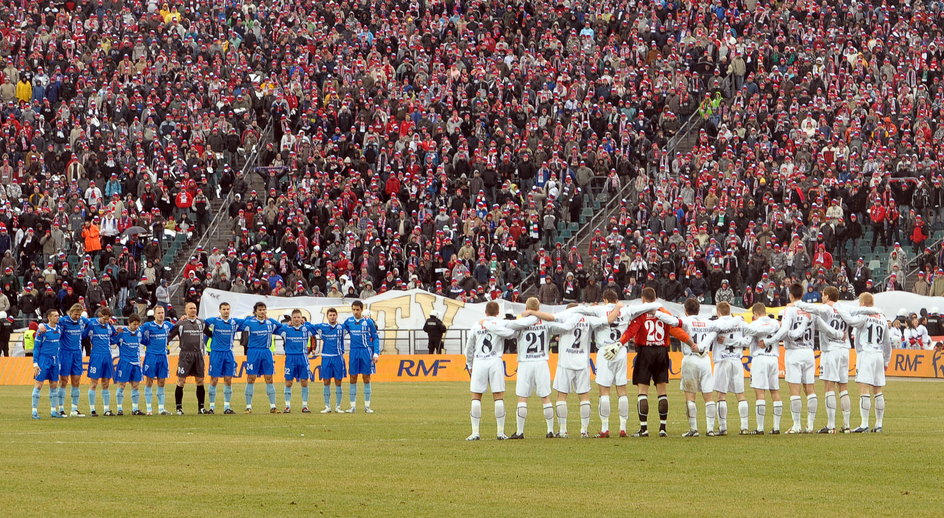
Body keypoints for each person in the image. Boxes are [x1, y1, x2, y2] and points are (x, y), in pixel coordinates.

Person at [572, 290, 660, 437]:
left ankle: (605, 428)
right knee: (622, 391)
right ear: (617, 299)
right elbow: (654, 305)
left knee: (604, 391)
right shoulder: (627, 309)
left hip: (605, 351)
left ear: (605, 300)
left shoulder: (599, 309)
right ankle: (623, 428)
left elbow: (581, 309)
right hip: (620, 350)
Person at [620, 288, 694, 437]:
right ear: (655, 298)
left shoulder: (640, 313)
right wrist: (690, 342)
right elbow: (675, 330)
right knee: (662, 391)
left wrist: (620, 342)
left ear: (642, 299)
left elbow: (632, 330)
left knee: (642, 391)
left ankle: (644, 428)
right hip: (661, 351)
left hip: (645, 352)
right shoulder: (663, 312)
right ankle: (662, 428)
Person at [542, 303, 621, 438]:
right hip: (582, 362)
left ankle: (562, 430)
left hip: (565, 362)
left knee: (561, 396)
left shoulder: (564, 319)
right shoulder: (588, 320)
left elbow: (549, 319)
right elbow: (609, 320)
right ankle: (584, 431)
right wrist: (618, 307)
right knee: (584, 397)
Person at [484, 297, 556, 439]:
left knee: (522, 397)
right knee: (546, 397)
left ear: (526, 308)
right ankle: (550, 430)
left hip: (525, 362)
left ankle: (519, 431)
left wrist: (487, 323)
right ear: (539, 308)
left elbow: (509, 328)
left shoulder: (520, 324)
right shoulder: (546, 323)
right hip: (541, 361)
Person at [674, 298, 740, 437]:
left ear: (686, 310)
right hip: (705, 359)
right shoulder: (709, 322)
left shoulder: (684, 321)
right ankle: (710, 429)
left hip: (690, 358)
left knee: (690, 396)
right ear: (699, 309)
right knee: (708, 396)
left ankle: (694, 429)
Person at [796, 288, 854, 433]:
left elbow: (813, 308)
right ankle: (846, 425)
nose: (821, 297)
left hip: (831, 349)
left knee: (829, 387)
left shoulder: (827, 308)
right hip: (845, 350)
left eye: (822, 295)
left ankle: (830, 425)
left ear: (827, 296)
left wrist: (798, 304)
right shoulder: (844, 308)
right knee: (843, 387)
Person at [761, 284, 817, 434]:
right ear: (803, 294)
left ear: (791, 295)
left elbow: (784, 330)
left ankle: (797, 425)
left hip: (794, 352)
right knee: (810, 390)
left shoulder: (789, 310)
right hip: (809, 352)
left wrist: (769, 341)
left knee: (795, 390)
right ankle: (810, 425)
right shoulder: (809, 310)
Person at [464, 301, 517, 440]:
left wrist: (469, 364)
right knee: (498, 396)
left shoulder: (477, 324)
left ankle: (475, 432)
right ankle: (500, 432)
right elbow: (512, 334)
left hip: (479, 361)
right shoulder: (500, 323)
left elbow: (469, 346)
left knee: (476, 396)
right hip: (495, 361)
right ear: (498, 312)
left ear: (485, 312)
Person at [841, 294, 893, 433]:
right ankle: (879, 424)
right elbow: (888, 342)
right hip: (878, 355)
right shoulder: (882, 318)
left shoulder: (863, 316)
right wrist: (886, 359)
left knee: (863, 388)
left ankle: (864, 424)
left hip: (866, 353)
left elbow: (853, 325)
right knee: (878, 390)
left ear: (863, 303)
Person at [238, 302, 284, 413]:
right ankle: (248, 406)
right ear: (255, 311)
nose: (262, 312)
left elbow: (281, 326)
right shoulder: (249, 322)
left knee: (269, 378)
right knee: (251, 378)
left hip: (266, 352)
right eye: (260, 310)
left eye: (264, 309)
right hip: (253, 352)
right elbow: (237, 325)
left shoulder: (270, 322)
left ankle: (273, 406)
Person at [341, 300, 380, 413]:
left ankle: (367, 406)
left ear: (361, 310)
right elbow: (339, 332)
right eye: (354, 309)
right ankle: (352, 407)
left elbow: (375, 337)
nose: (355, 312)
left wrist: (376, 353)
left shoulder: (368, 322)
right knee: (353, 378)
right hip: (354, 352)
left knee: (366, 378)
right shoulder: (349, 321)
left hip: (366, 352)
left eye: (357, 310)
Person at [168, 302, 207, 415]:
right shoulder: (181, 323)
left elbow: (210, 333)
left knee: (200, 380)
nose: (193, 310)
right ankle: (179, 408)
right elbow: (170, 335)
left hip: (198, 355)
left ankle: (201, 408)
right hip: (185, 355)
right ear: (185, 310)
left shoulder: (201, 323)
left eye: (194, 308)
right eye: (190, 308)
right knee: (181, 380)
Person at [203, 302, 240, 414]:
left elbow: (247, 322)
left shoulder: (234, 322)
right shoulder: (214, 321)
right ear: (220, 310)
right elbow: (201, 323)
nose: (226, 311)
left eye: (228, 309)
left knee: (228, 380)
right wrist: (209, 333)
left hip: (228, 353)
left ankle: (227, 407)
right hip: (216, 353)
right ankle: (212, 407)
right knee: (214, 380)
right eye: (224, 309)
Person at [277, 309, 317, 413]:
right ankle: (287, 406)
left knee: (304, 381)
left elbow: (316, 328)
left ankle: (304, 406)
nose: (296, 319)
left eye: (298, 317)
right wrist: (286, 323)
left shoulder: (306, 328)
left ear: (301, 318)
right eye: (294, 317)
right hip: (290, 358)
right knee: (289, 382)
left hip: (303, 358)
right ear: (291, 318)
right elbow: (275, 327)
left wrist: (306, 322)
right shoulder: (286, 329)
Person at [311, 308, 346, 413]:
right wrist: (303, 321)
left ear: (337, 316)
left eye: (334, 315)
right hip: (326, 357)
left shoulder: (342, 327)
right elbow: (310, 327)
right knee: (326, 381)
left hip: (338, 357)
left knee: (338, 381)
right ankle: (327, 406)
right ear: (327, 316)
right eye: (330, 315)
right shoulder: (322, 327)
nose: (332, 317)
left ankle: (338, 406)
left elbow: (353, 328)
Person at [84, 308, 117, 417]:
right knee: (94, 383)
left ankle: (106, 409)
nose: (106, 320)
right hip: (96, 356)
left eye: (108, 318)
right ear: (100, 315)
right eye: (104, 318)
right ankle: (92, 409)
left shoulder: (109, 326)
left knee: (106, 383)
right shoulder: (92, 324)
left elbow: (114, 336)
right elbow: (84, 335)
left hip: (107, 356)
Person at [31, 309, 63, 419]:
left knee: (54, 385)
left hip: (55, 360)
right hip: (43, 360)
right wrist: (35, 363)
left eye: (58, 315)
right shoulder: (42, 331)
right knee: (39, 385)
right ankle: (34, 411)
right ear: (49, 317)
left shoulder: (59, 328)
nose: (57, 317)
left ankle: (54, 411)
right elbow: (36, 348)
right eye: (55, 316)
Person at [56, 303, 87, 417]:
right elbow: (52, 323)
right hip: (65, 353)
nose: (77, 317)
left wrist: (107, 321)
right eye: (75, 314)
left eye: (79, 315)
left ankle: (74, 409)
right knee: (63, 381)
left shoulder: (82, 321)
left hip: (77, 354)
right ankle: (61, 409)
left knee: (76, 381)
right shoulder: (63, 321)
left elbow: (94, 322)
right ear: (70, 312)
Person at [111, 314, 145, 416]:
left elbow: (145, 341)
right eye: (134, 324)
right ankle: (119, 409)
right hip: (124, 362)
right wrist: (115, 332)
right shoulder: (122, 333)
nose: (136, 326)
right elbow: (112, 341)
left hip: (136, 363)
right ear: (129, 323)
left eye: (138, 325)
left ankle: (135, 409)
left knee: (136, 386)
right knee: (122, 385)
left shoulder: (139, 332)